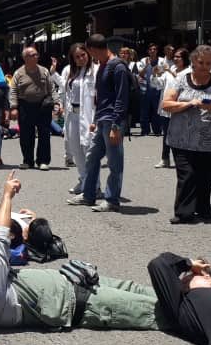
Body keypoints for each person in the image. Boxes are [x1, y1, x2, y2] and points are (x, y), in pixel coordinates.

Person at [0, 172, 162, 331]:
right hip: (80, 303)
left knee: (145, 290)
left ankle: (186, 294)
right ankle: (196, 312)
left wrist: (3, 204)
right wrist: (7, 196)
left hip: (73, 281)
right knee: (153, 310)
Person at [160, 46, 211, 224]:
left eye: (209, 63)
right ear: (193, 61)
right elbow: (166, 104)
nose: (204, 66)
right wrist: (189, 103)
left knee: (205, 176)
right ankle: (183, 213)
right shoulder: (180, 79)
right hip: (181, 138)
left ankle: (202, 209)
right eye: (201, 62)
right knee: (186, 175)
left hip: (209, 139)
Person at [67, 34, 129, 212]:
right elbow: (100, 97)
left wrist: (116, 126)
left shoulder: (117, 67)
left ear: (93, 49)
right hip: (101, 119)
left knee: (115, 162)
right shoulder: (102, 66)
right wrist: (95, 120)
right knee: (92, 157)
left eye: (89, 52)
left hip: (112, 120)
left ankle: (112, 200)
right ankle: (88, 195)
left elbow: (121, 98)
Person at [9, 46, 55, 170]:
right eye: (33, 55)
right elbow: (13, 90)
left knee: (44, 133)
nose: (36, 56)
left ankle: (43, 160)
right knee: (25, 134)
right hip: (25, 105)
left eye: (36, 54)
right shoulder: (19, 73)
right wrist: (13, 107)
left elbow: (51, 88)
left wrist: (56, 103)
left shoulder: (44, 71)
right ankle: (27, 160)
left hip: (43, 105)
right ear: (25, 58)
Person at [61, 43, 96, 192]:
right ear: (73, 59)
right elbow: (65, 90)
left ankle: (94, 185)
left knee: (88, 150)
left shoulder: (95, 71)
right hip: (72, 114)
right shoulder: (71, 72)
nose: (81, 58)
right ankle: (83, 180)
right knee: (75, 149)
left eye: (83, 55)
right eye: (77, 57)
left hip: (87, 114)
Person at [152, 48, 189, 169]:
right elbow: (159, 84)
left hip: (181, 107)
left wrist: (169, 71)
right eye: (175, 57)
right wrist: (155, 74)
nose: (176, 59)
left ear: (185, 59)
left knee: (182, 134)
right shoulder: (171, 69)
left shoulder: (189, 71)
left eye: (179, 57)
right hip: (167, 107)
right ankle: (165, 159)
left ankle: (184, 160)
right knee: (166, 134)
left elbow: (182, 83)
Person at [136, 43, 165, 136]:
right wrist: (147, 65)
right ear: (148, 51)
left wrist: (158, 72)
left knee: (157, 111)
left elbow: (164, 74)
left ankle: (157, 130)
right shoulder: (143, 60)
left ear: (157, 51)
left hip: (157, 89)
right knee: (144, 111)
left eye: (154, 49)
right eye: (151, 49)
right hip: (145, 89)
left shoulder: (161, 60)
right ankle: (145, 130)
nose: (152, 51)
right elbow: (140, 74)